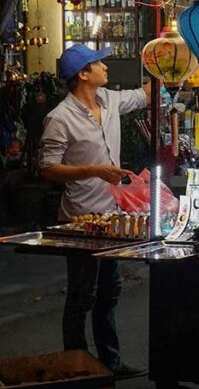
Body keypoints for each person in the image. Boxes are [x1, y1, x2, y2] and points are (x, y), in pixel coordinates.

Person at [37, 45, 151, 379]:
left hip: (111, 217)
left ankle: (110, 363)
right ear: (83, 74)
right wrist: (94, 170)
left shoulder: (110, 101)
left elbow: (144, 95)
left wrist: (172, 64)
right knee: (80, 297)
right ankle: (78, 367)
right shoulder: (59, 117)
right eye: (98, 63)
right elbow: (48, 168)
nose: (106, 67)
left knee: (108, 293)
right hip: (80, 220)